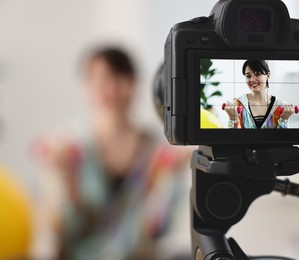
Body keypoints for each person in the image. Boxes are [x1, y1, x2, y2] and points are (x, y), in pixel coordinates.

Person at [34, 47, 188, 260]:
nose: (109, 88)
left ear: (134, 83)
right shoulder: (67, 145)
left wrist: (169, 178)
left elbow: (159, 230)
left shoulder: (156, 149)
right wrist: (65, 176)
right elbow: (63, 228)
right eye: (98, 80)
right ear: (86, 87)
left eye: (118, 77)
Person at [224, 59, 295, 129]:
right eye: (248, 76)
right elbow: (234, 139)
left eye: (257, 74)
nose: (252, 80)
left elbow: (282, 139)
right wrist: (233, 119)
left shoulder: (280, 106)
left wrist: (284, 119)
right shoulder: (238, 104)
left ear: (268, 75)